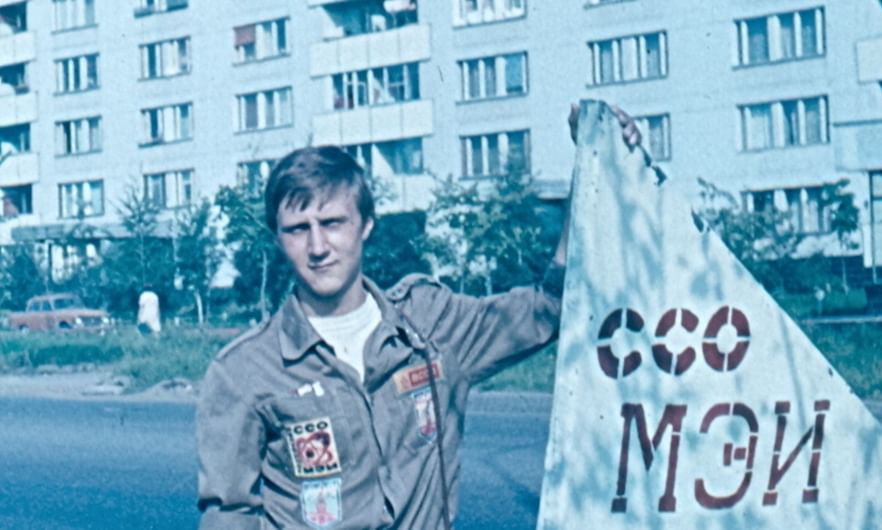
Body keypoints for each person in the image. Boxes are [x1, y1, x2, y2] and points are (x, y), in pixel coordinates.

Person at [196, 105, 640, 529]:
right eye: (298, 229)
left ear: (366, 224)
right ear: (278, 238)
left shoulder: (430, 322)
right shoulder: (243, 371)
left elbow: (551, 306)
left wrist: (594, 157)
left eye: (332, 223)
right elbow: (228, 515)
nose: (317, 247)